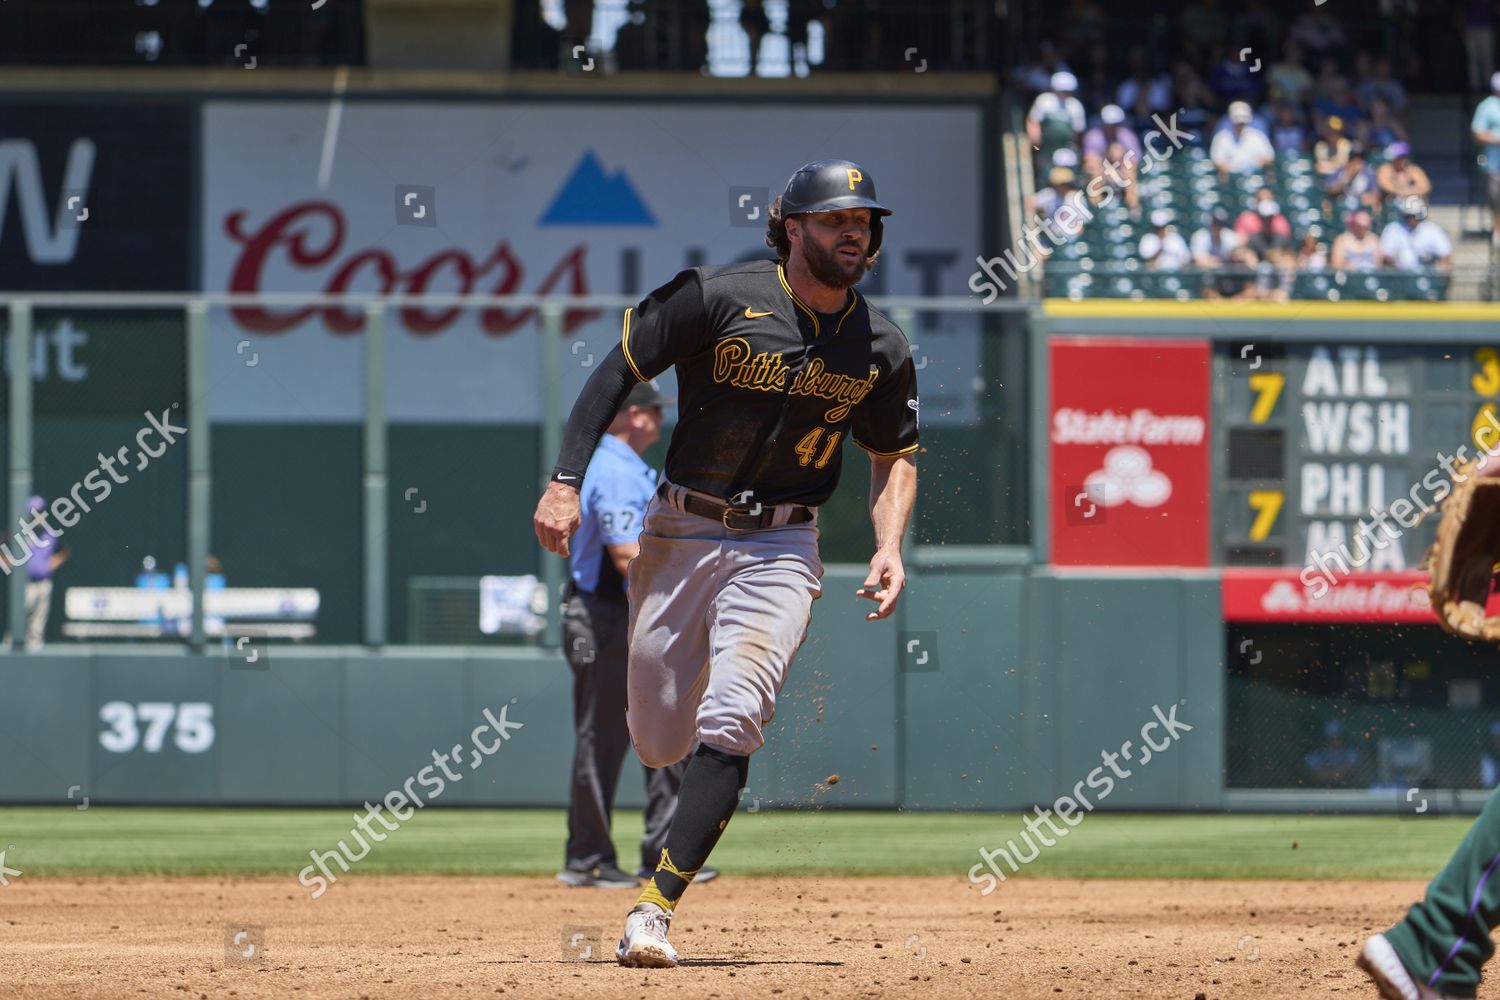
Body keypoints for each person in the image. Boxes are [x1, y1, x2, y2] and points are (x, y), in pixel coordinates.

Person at [533, 159, 919, 968]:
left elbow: (894, 455)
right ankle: (687, 725)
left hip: (782, 540)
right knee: (660, 738)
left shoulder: (879, 343)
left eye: (865, 221)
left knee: (735, 717)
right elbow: (615, 372)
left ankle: (653, 908)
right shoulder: (716, 296)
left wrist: (888, 545)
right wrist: (565, 482)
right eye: (836, 219)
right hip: (680, 531)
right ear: (790, 228)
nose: (855, 231)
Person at [556, 380, 716, 890]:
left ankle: (659, 854)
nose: (657, 419)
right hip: (605, 614)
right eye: (649, 411)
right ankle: (588, 858)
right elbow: (626, 556)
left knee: (664, 728)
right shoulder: (615, 466)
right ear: (630, 414)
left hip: (628, 614)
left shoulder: (627, 466)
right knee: (603, 736)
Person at [1027, 71, 1087, 172]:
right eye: (1063, 90)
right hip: (1045, 148)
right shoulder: (1044, 100)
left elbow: (1079, 133)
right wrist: (1036, 147)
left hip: (1067, 148)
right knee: (1045, 172)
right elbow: (1032, 122)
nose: (1065, 94)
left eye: (1068, 91)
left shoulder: (1076, 105)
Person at [1380, 200, 1454, 273]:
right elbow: (1385, 256)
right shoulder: (1393, 229)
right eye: (1409, 216)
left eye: (1416, 215)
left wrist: (1437, 270)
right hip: (1400, 277)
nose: (1413, 219)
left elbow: (1446, 254)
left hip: (1426, 277)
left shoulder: (1431, 230)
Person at [1211, 101, 1275, 176]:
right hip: (1231, 177)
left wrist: (1256, 163)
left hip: (1253, 176)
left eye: (1242, 123)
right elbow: (1218, 161)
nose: (1240, 125)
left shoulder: (1257, 136)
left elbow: (1269, 157)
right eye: (1237, 122)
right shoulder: (1222, 137)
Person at [1472, 72, 1500, 241]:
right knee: (1496, 198)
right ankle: (1497, 230)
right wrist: (1497, 140)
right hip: (1494, 163)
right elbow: (1476, 133)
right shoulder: (1487, 106)